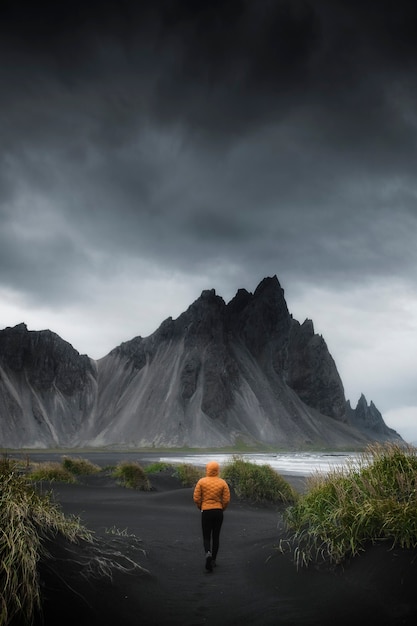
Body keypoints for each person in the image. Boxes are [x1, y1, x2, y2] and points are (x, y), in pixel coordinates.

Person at [193, 460, 231, 572]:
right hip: (218, 512)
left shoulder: (201, 481)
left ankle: (207, 553)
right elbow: (226, 499)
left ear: (207, 469)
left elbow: (196, 498)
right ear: (217, 470)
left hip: (206, 511)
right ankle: (213, 560)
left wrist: (201, 507)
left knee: (206, 536)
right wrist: (221, 508)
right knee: (216, 536)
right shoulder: (222, 482)